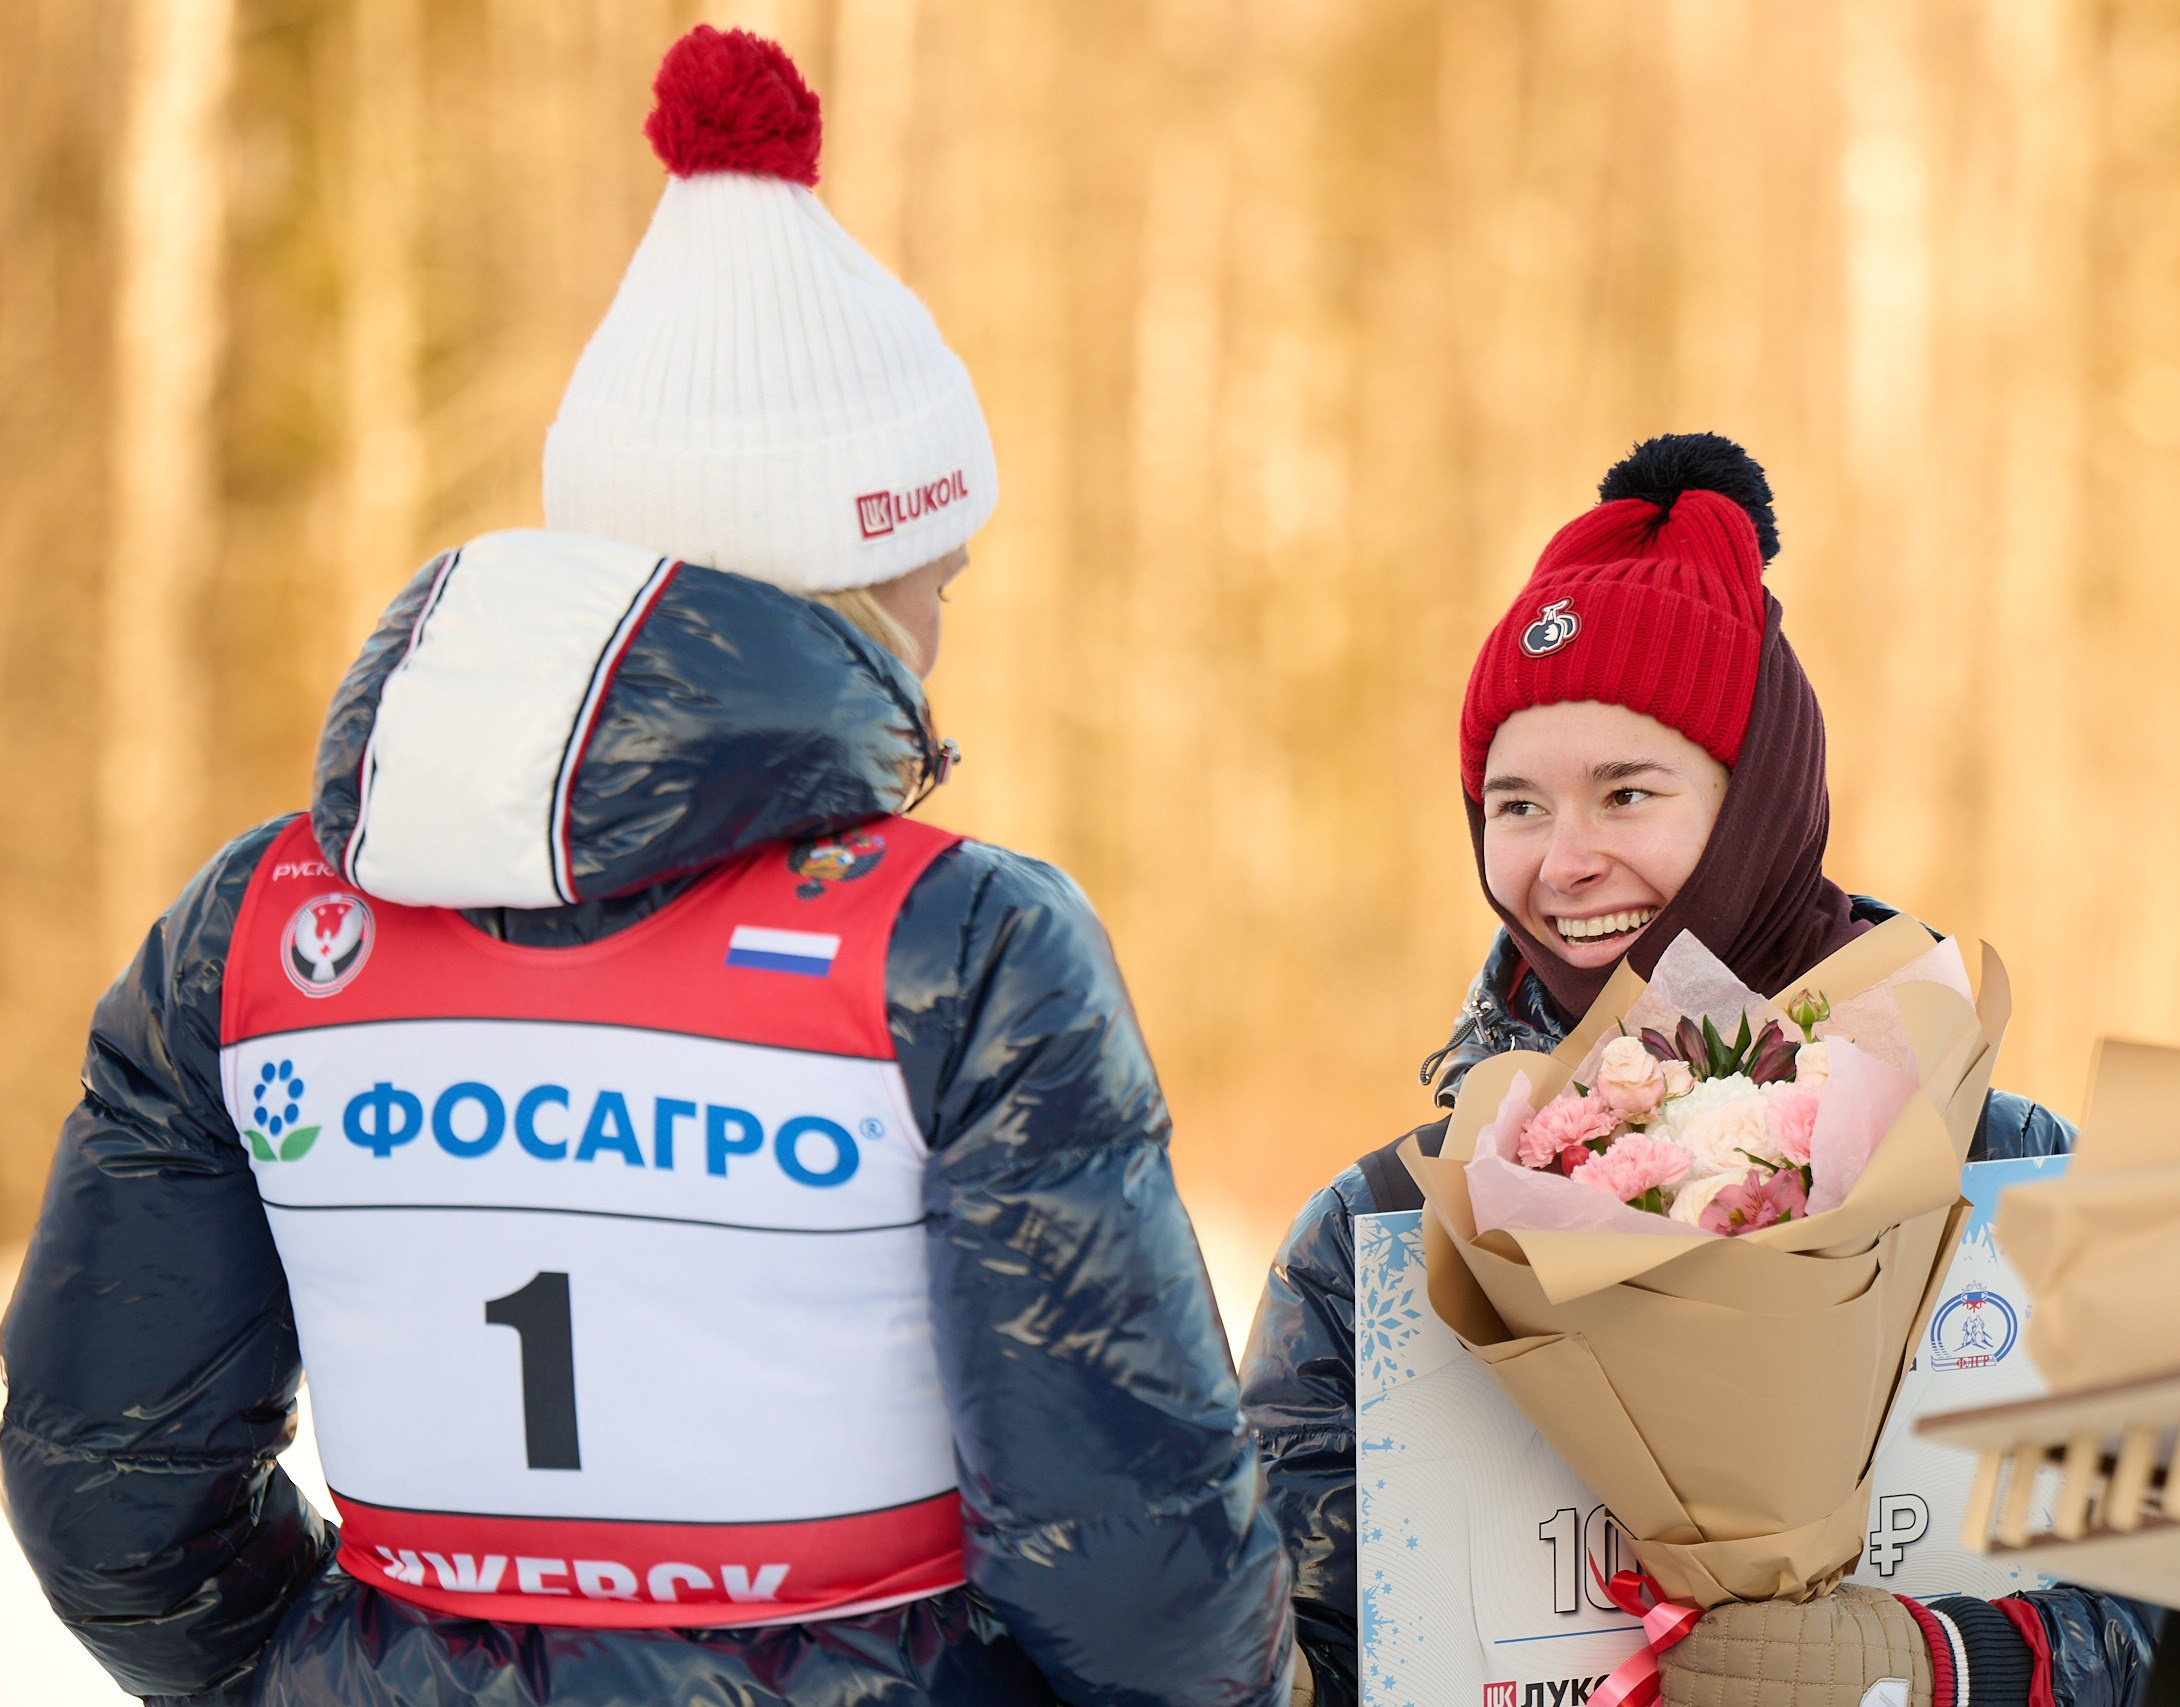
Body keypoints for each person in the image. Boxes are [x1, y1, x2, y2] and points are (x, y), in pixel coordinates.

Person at [2, 27, 1288, 1707]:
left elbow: (106, 1476)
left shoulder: (245, 937)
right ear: (855, 579)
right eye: (936, 574)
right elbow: (1133, 1557)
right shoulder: (963, 944)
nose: (942, 628)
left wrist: (330, 1668)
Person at [1237, 434, 2180, 1707]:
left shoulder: (2025, 1186)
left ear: (1760, 805)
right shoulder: (1388, 1241)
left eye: (1626, 793)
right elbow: (1291, 1655)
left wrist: (1956, 1662)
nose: (1559, 861)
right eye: (1514, 806)